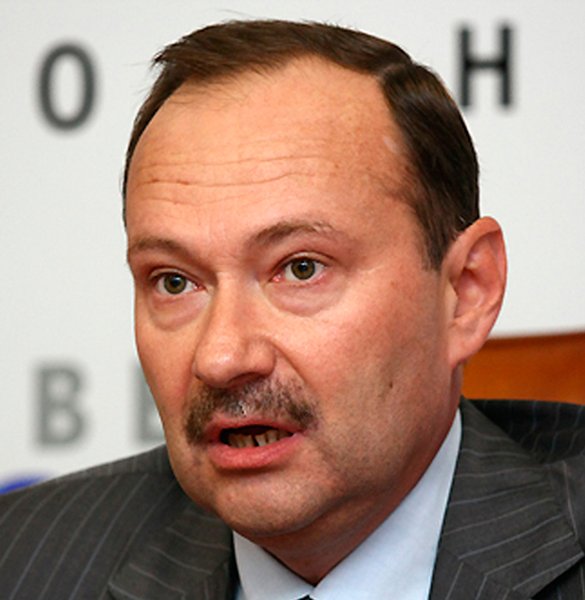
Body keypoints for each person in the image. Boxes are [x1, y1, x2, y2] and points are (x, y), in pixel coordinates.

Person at [1, 19, 584, 600]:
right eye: (175, 281)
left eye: (301, 268)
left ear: (466, 292)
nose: (222, 357)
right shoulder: (23, 562)